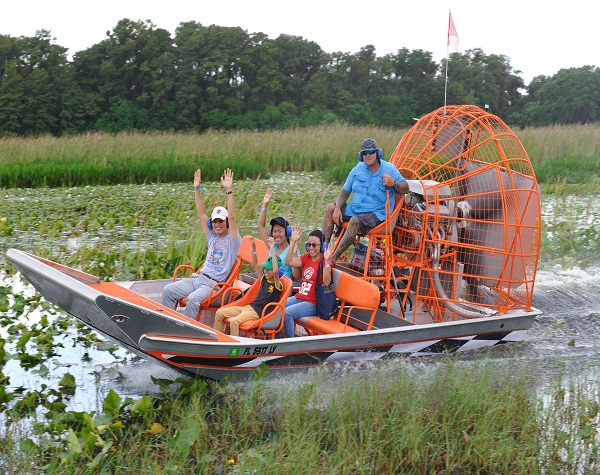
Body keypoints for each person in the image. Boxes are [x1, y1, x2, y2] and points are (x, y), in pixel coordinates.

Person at [162, 168, 242, 319]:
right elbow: (202, 214)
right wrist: (197, 188)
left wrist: (229, 190)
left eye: (221, 221)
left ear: (226, 223)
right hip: (198, 278)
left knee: (192, 299)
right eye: (215, 221)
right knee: (167, 290)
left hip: (213, 286)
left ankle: (188, 332)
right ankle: (169, 324)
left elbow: (232, 217)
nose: (217, 224)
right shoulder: (212, 236)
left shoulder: (233, 241)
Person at [322, 138, 409, 264]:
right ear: (361, 156)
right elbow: (344, 193)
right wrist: (337, 209)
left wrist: (393, 184)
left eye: (371, 152)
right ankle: (323, 250)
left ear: (377, 153)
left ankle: (333, 259)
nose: (368, 155)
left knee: (355, 221)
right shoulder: (357, 170)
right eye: (364, 153)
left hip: (377, 215)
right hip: (356, 210)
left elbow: (406, 188)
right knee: (330, 207)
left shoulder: (389, 169)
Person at [214, 236, 283, 336]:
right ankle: (218, 339)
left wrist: (272, 248)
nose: (265, 271)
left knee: (235, 322)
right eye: (265, 269)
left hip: (256, 312)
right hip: (248, 307)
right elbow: (255, 264)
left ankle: (234, 346)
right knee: (219, 313)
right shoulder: (264, 279)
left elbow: (276, 271)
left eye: (268, 269)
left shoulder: (277, 284)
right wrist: (253, 247)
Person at [283, 225, 332, 338]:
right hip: (300, 297)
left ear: (322, 246)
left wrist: (327, 260)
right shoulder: (306, 258)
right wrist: (293, 241)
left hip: (312, 303)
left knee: (287, 313)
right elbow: (288, 261)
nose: (311, 248)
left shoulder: (324, 261)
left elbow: (327, 281)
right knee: (278, 306)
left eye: (314, 245)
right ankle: (275, 339)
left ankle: (290, 344)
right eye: (308, 244)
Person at [257, 187, 301, 282]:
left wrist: (294, 254)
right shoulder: (273, 246)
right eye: (274, 231)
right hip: (268, 286)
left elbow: (296, 277)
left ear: (287, 233)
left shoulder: (293, 250)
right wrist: (265, 204)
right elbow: (261, 226)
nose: (277, 234)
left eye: (280, 231)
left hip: (282, 289)